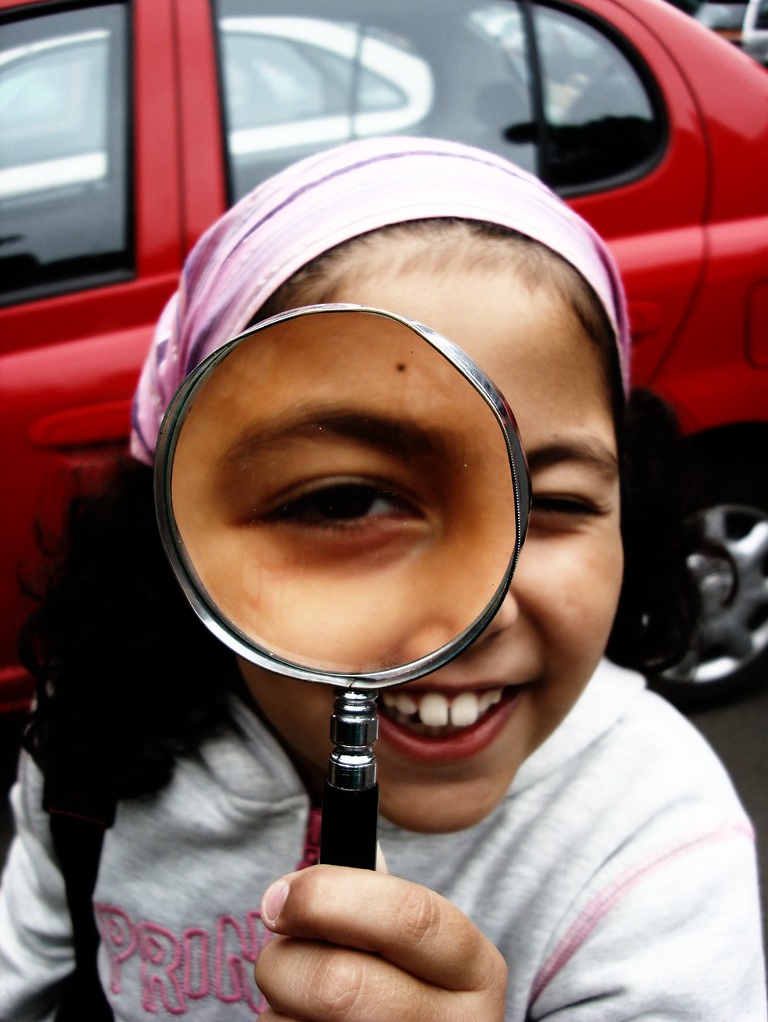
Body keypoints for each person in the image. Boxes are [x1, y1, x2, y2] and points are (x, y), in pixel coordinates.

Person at [0, 137, 764, 1021]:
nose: (469, 616)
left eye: (551, 501)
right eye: (347, 502)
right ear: (178, 526)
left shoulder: (653, 847)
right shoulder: (92, 740)